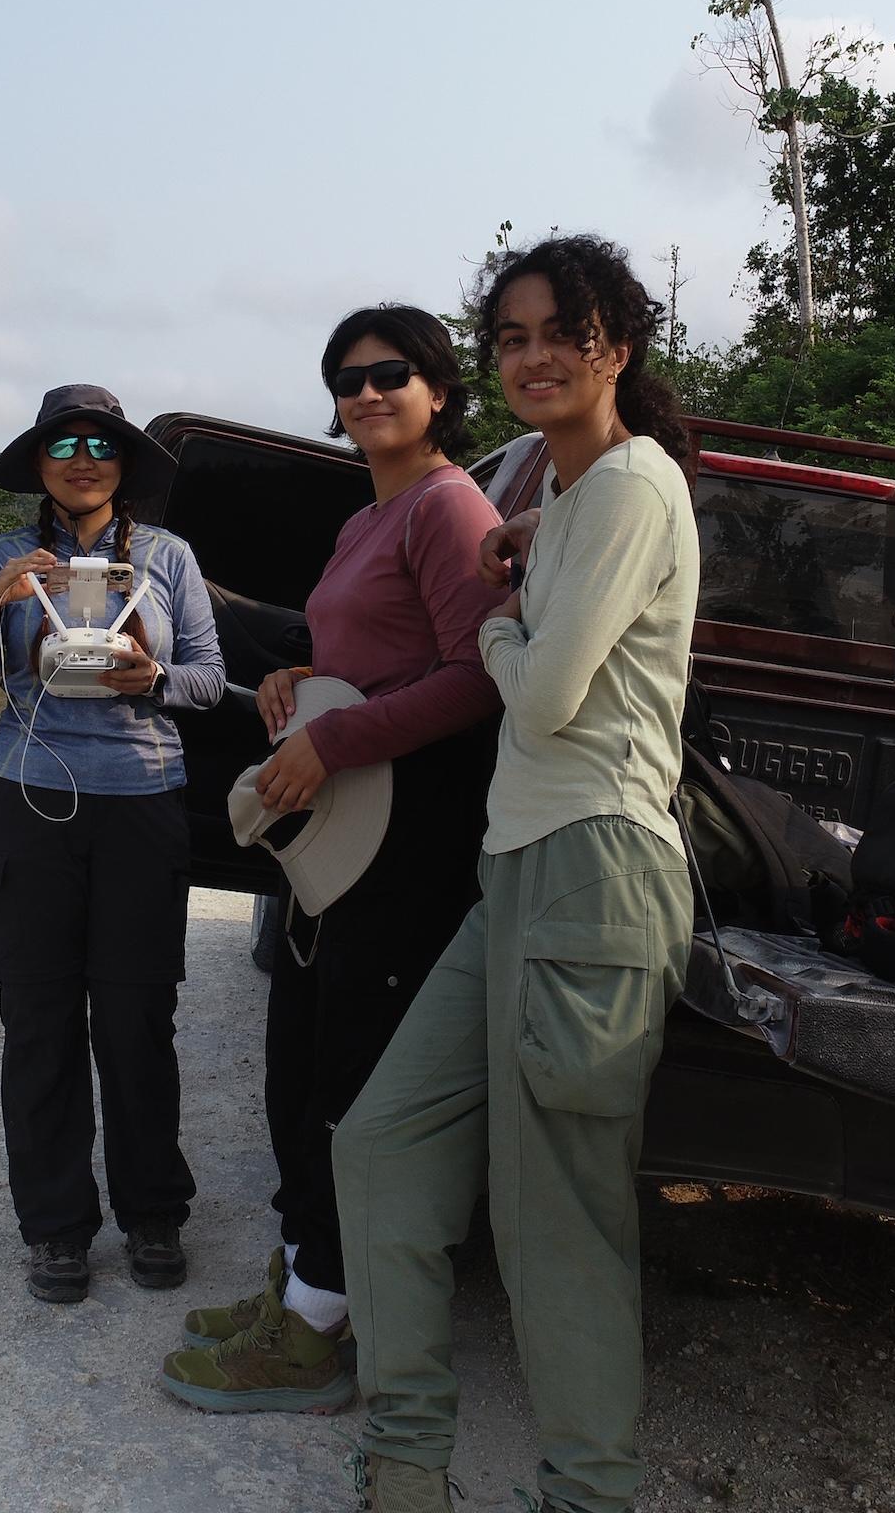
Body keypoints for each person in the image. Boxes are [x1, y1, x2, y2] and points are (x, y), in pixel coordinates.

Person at [333, 237, 702, 1513]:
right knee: (380, 1147)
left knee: (557, 1226)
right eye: (513, 337)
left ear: (619, 345)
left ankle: (589, 1494)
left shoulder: (632, 487)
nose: (535, 357)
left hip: (594, 871)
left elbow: (542, 702)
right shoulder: (577, 491)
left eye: (564, 332)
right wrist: (531, 544)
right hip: (521, 874)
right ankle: (406, 1467)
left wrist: (493, 611)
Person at [157, 305, 502, 1415]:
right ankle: (303, 1284)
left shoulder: (448, 508)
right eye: (347, 380)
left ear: (438, 390)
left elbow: (478, 678)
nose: (366, 394)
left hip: (406, 843)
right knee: (301, 1064)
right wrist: (294, 684)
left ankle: (317, 1333)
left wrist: (334, 736)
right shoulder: (370, 519)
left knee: (350, 1079)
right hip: (340, 845)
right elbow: (361, 654)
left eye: (390, 374)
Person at [0, 384, 225, 1303]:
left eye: (101, 444)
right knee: (40, 1021)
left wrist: (154, 677)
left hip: (143, 803)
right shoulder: (5, 558)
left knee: (138, 1020)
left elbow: (212, 681)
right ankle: (57, 1227)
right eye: (62, 445)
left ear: (125, 465)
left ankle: (152, 1211)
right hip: (28, 799)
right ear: (39, 465)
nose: (83, 458)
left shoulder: (170, 559)